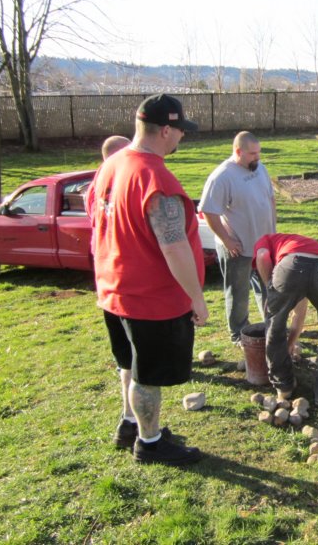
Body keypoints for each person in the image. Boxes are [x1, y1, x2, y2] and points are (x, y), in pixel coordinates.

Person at [88, 94, 207, 466]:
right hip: (149, 299)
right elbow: (175, 248)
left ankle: (130, 424)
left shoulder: (111, 165)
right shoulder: (155, 178)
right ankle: (150, 443)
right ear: (166, 130)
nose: (182, 137)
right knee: (148, 376)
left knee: (130, 363)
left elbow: (96, 221)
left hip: (114, 289)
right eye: (180, 131)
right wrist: (196, 298)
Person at [199, 131, 276, 345]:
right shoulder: (222, 177)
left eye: (258, 152)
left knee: (268, 286)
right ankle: (238, 333)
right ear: (238, 151)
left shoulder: (259, 168)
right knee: (238, 292)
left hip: (263, 244)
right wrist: (226, 240)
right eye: (252, 154)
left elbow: (270, 198)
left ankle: (271, 326)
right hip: (237, 247)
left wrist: (273, 231)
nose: (257, 157)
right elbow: (209, 211)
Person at [254, 233, 318, 407]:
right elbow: (299, 314)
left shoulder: (265, 239)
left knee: (275, 323)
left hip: (291, 267)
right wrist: (290, 344)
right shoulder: (298, 243)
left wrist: (270, 289)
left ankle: (284, 386)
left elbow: (263, 256)